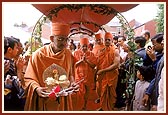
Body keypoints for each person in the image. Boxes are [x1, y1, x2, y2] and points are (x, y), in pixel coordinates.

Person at [23, 22, 79, 111]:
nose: (64, 43)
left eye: (66, 39)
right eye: (60, 39)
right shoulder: (38, 55)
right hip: (44, 99)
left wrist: (73, 83)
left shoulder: (68, 54)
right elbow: (29, 78)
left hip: (62, 99)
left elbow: (70, 74)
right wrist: (36, 88)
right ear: (52, 38)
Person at [96, 32, 120, 110]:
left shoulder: (115, 50)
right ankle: (103, 107)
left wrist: (103, 70)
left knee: (110, 95)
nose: (106, 41)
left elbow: (116, 64)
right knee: (102, 92)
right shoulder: (103, 50)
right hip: (103, 76)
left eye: (108, 40)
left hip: (112, 76)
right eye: (105, 40)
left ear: (112, 40)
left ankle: (109, 109)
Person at [73, 37, 98, 110]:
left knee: (87, 93)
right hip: (78, 77)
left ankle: (85, 106)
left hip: (88, 76)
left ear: (88, 46)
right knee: (80, 93)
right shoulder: (75, 53)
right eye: (83, 46)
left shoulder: (91, 54)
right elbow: (73, 65)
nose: (84, 48)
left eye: (86, 46)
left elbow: (93, 66)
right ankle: (80, 107)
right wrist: (80, 61)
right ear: (80, 46)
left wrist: (86, 60)